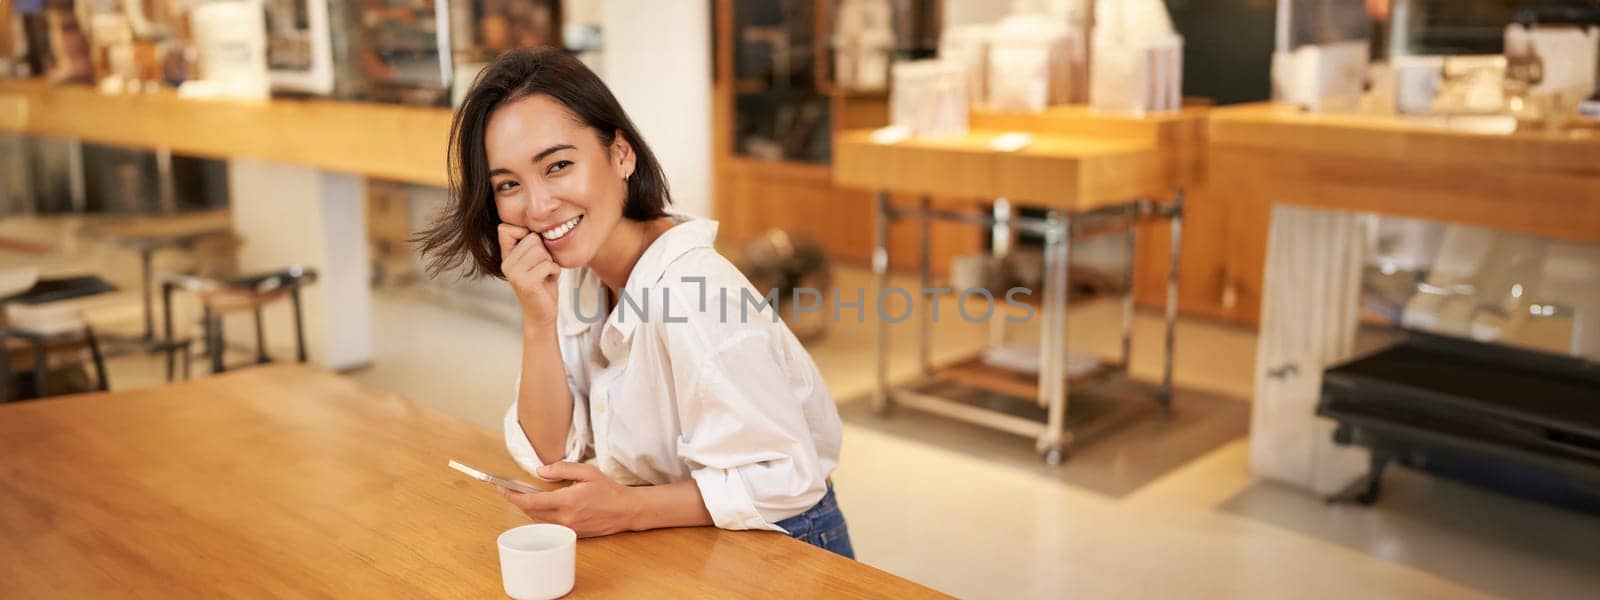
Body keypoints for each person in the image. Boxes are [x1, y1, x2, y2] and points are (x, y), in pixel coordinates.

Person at [415, 48, 852, 558]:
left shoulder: (694, 293)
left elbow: (787, 478)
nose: (536, 206)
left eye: (557, 165)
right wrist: (538, 320)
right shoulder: (580, 273)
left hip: (785, 541)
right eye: (508, 184)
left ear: (621, 154)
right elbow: (549, 454)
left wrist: (627, 509)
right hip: (685, 535)